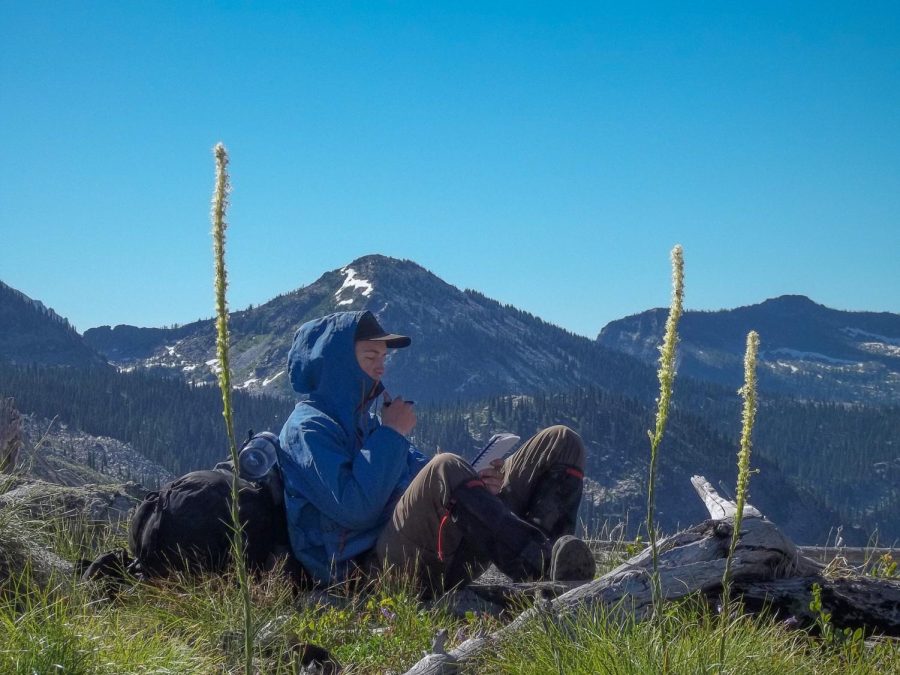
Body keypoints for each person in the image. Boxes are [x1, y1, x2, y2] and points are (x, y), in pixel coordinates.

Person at [278, 310, 595, 593]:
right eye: (370, 357)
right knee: (446, 466)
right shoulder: (308, 431)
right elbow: (356, 510)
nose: (380, 368)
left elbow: (424, 480)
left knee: (560, 441)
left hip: (425, 548)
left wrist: (479, 487)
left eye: (383, 358)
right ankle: (540, 565)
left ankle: (555, 564)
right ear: (340, 364)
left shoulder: (369, 423)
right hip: (367, 573)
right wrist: (391, 434)